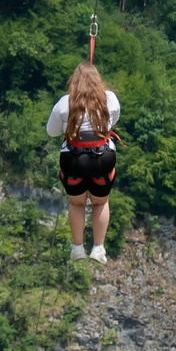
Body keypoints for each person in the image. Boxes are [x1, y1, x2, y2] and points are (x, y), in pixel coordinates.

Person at [48, 62, 121, 262]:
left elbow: (51, 132)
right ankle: (98, 248)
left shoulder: (65, 102)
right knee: (100, 202)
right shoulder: (110, 99)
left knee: (77, 202)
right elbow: (112, 122)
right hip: (102, 160)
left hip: (73, 161)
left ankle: (78, 248)